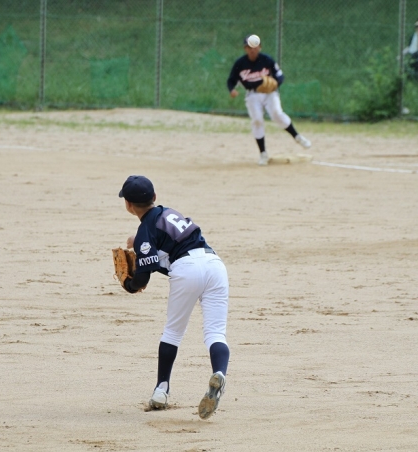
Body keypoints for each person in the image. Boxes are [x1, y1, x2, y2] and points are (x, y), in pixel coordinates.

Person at [118, 175, 230, 420]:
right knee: (215, 332)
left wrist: (129, 284)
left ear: (128, 205)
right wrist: (139, 243)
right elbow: (164, 246)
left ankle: (161, 390)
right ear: (155, 197)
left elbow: (142, 280)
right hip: (214, 264)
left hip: (187, 270)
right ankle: (219, 373)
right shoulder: (168, 213)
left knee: (173, 332)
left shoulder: (145, 231)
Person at [227, 34, 311, 166]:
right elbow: (231, 80)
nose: (252, 50)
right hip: (252, 94)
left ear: (260, 47)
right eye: (249, 47)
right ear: (245, 49)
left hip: (269, 93)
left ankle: (297, 137)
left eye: (255, 47)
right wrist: (232, 90)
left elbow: (280, 75)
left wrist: (276, 83)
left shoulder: (267, 60)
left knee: (277, 114)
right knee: (257, 120)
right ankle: (263, 154)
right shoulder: (240, 63)